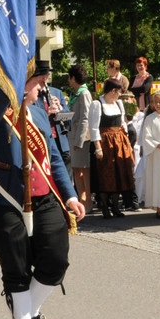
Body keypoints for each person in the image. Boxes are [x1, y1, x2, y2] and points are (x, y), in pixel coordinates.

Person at [0, 73, 86, 319]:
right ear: (20, 83)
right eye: (36, 83)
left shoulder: (37, 111)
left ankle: (30, 311)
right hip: (3, 200)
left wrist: (70, 195)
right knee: (17, 271)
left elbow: (54, 158)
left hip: (44, 197)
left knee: (56, 260)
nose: (41, 88)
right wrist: (12, 91)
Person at [87, 79, 136, 218]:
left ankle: (115, 206)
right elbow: (94, 127)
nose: (119, 94)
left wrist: (126, 144)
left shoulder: (119, 104)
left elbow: (123, 125)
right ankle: (105, 208)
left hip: (118, 142)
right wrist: (98, 148)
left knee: (118, 174)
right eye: (118, 91)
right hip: (105, 143)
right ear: (112, 91)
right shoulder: (97, 104)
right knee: (104, 175)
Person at [66, 65, 94, 214]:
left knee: (84, 168)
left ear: (74, 78)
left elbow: (85, 118)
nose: (69, 80)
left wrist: (80, 140)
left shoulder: (84, 94)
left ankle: (88, 200)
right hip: (72, 134)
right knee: (76, 168)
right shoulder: (75, 93)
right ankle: (81, 198)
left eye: (70, 77)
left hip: (81, 136)